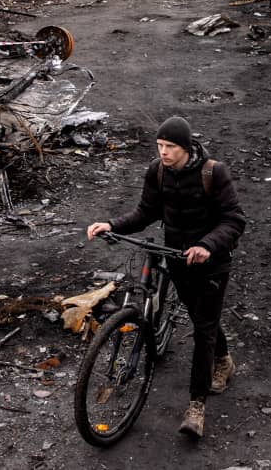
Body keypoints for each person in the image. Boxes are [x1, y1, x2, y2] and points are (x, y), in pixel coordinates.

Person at [87, 116, 246, 439]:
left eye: (170, 147)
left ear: (186, 147)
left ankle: (196, 406)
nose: (163, 152)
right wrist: (112, 224)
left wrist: (206, 245)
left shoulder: (214, 173)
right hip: (177, 258)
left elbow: (234, 220)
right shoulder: (157, 172)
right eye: (159, 146)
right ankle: (224, 360)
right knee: (202, 316)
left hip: (212, 263)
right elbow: (146, 212)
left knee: (203, 328)